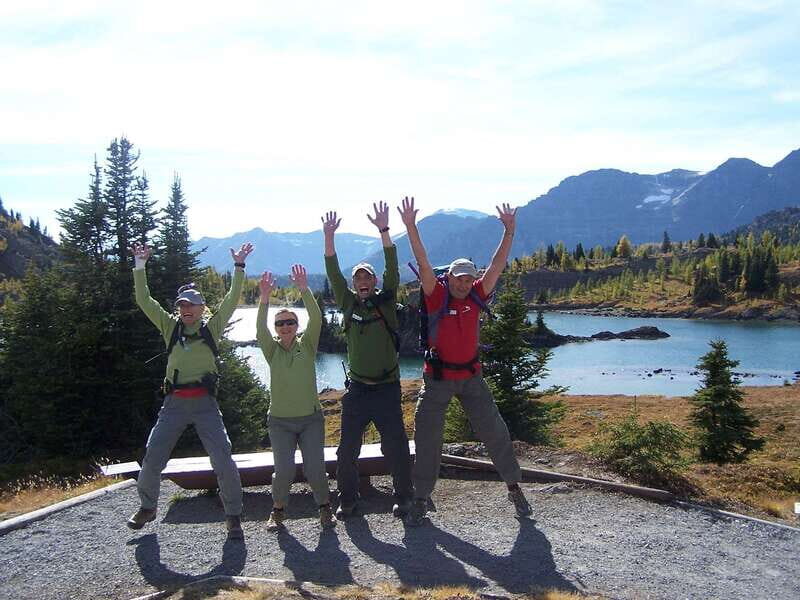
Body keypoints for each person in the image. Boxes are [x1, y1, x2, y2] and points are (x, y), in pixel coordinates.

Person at [397, 196, 532, 526]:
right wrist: (411, 227)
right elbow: (423, 261)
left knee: (495, 431)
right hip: (438, 378)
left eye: (467, 278)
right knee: (428, 437)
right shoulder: (437, 294)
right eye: (458, 277)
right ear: (450, 278)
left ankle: (514, 486)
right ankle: (421, 496)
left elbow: (497, 264)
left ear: (473, 279)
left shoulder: (477, 294)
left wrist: (509, 232)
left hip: (472, 378)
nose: (462, 283)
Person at [127, 241, 253, 539]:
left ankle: (233, 515)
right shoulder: (170, 328)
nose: (185, 309)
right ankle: (148, 507)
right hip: (173, 404)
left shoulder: (212, 327)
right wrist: (140, 265)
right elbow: (145, 300)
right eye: (181, 305)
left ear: (201, 308)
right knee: (153, 455)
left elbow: (233, 299)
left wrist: (238, 267)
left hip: (206, 405)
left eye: (190, 305)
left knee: (222, 457)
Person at [322, 202, 413, 519]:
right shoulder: (347, 303)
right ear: (353, 284)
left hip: (387, 388)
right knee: (346, 451)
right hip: (358, 391)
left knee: (397, 448)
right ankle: (348, 501)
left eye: (367, 277)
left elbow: (393, 268)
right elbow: (333, 272)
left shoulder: (387, 303)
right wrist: (328, 237)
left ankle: (405, 499)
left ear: (373, 282)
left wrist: (385, 231)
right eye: (358, 278)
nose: (363, 281)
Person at [256, 265, 336, 531]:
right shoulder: (271, 350)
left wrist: (304, 288)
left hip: (310, 419)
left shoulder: (308, 345)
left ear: (297, 325)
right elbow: (260, 328)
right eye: (280, 323)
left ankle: (324, 508)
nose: (286, 326)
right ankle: (277, 510)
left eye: (290, 321)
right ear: (276, 329)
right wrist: (264, 299)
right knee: (284, 471)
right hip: (279, 421)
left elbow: (317, 317)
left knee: (315, 468)